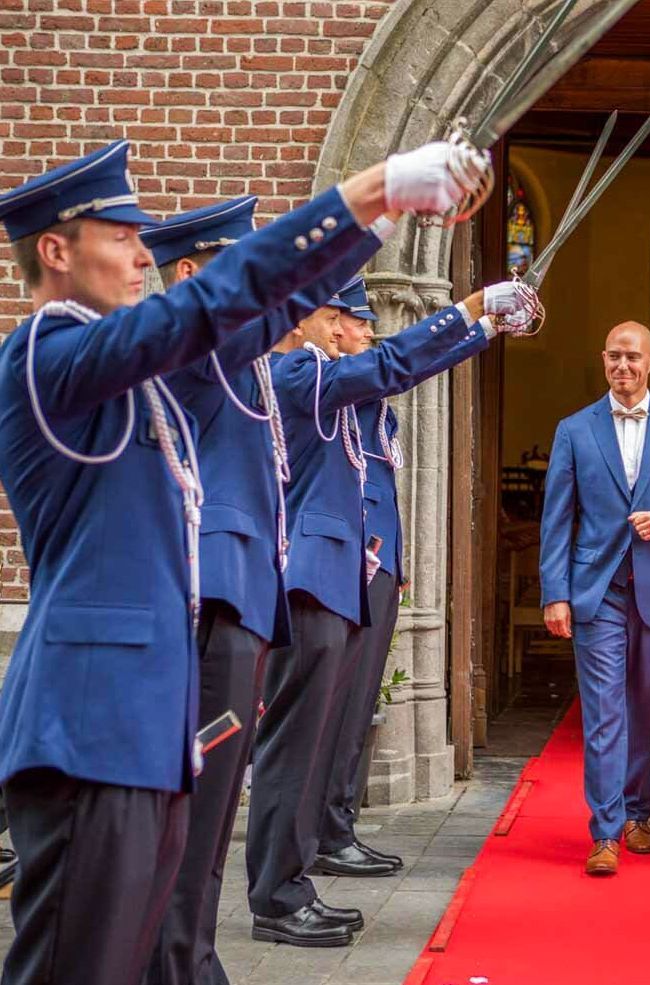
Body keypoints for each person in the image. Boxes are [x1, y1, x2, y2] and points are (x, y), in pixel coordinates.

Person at [0, 134, 473, 984]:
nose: (144, 249)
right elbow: (206, 307)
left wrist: (386, 230)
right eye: (121, 234)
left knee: (137, 952)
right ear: (56, 249)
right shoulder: (50, 354)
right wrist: (369, 193)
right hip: (90, 721)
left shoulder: (142, 375)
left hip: (142, 719)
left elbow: (251, 315)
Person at [141, 197, 394, 985]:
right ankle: (220, 926)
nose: (350, 327)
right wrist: (378, 212)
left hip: (264, 588)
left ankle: (197, 946)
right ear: (191, 274)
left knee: (225, 795)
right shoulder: (257, 361)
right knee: (231, 777)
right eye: (233, 263)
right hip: (241, 588)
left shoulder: (257, 364)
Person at [246, 276, 531, 946]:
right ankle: (276, 895)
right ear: (320, 316)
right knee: (294, 743)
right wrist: (471, 309)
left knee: (312, 739)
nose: (367, 331)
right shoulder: (296, 370)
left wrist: (485, 331)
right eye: (357, 319)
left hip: (335, 575)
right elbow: (392, 364)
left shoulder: (320, 374)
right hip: (312, 579)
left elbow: (394, 367)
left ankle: (288, 882)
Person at [539, 320, 650, 876]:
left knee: (646, 707)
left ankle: (641, 814)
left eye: (633, 357)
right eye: (614, 357)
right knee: (603, 713)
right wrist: (556, 593)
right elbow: (557, 519)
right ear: (604, 361)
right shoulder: (573, 430)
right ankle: (605, 831)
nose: (623, 366)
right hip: (597, 591)